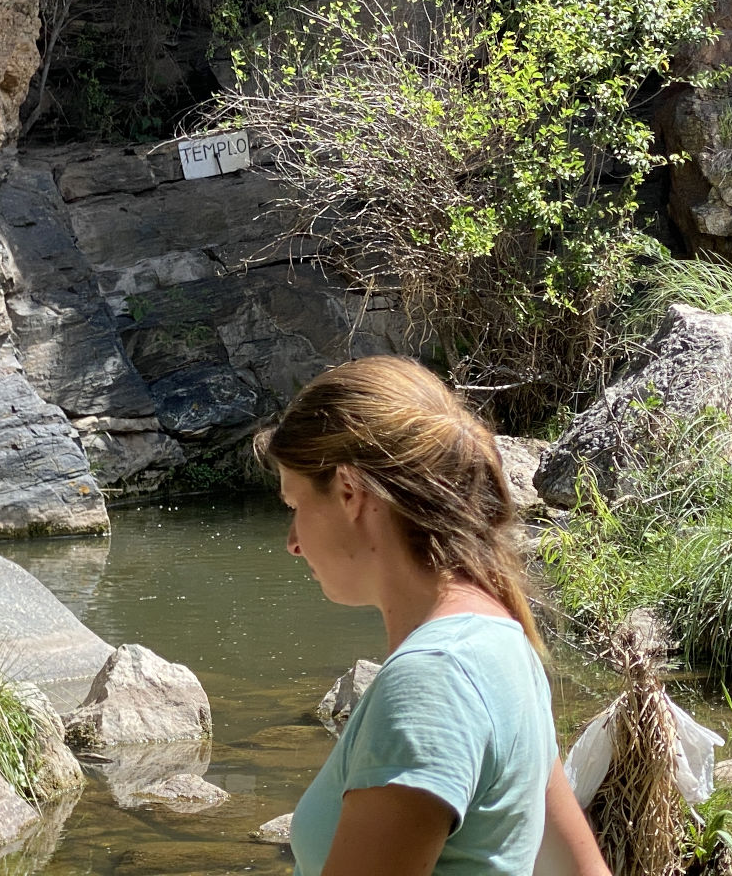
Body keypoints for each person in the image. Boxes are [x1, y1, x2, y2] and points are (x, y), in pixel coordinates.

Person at [261, 355, 610, 876]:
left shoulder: (433, 680)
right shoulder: (499, 642)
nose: (291, 542)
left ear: (351, 493)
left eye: (295, 506)